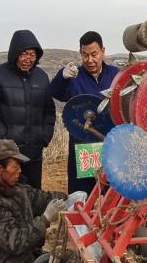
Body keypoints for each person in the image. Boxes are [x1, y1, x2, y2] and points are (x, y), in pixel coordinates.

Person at [0, 30, 55, 189]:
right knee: (9, 197)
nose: (28, 59)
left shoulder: (41, 77)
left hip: (34, 152)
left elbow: (49, 110)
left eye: (32, 55)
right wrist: (5, 140)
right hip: (9, 157)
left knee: (34, 195)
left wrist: (45, 136)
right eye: (24, 54)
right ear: (15, 54)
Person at [49, 30, 121, 194]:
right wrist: (62, 77)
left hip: (109, 142)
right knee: (83, 191)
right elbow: (55, 92)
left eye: (94, 54)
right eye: (85, 55)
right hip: (82, 143)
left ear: (103, 51)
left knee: (110, 190)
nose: (90, 60)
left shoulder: (115, 75)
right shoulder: (75, 76)